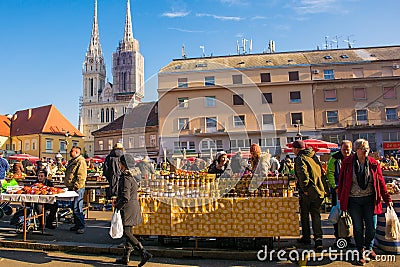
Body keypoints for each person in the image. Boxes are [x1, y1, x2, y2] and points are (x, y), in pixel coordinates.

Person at [338, 139, 393, 265]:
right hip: (354, 200)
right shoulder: (347, 163)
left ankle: (369, 248)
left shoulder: (373, 163)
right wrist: (341, 200)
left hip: (370, 200)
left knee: (372, 227)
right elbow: (341, 182)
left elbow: (381, 182)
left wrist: (387, 198)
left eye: (367, 148)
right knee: (357, 228)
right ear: (357, 150)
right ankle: (361, 251)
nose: (366, 150)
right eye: (363, 148)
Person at [115, 154, 152, 266]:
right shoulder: (134, 175)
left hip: (127, 208)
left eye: (120, 163)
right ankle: (125, 257)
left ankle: (143, 252)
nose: (119, 165)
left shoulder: (126, 177)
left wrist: (117, 205)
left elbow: (125, 196)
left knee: (126, 233)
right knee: (129, 232)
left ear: (123, 164)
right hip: (133, 205)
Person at [293, 140, 325, 252]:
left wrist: (305, 189)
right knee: (316, 215)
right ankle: (318, 240)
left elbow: (303, 174)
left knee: (305, 215)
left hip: (309, 191)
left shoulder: (300, 158)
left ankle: (306, 237)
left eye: (293, 149)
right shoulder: (313, 156)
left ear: (296, 149)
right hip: (319, 190)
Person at [326, 140, 353, 246]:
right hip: (338, 192)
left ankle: (348, 237)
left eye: (348, 149)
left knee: (350, 216)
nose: (346, 151)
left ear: (351, 149)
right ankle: (339, 238)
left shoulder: (354, 158)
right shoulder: (334, 159)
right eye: (344, 149)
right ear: (340, 148)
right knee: (337, 214)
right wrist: (335, 187)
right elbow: (330, 173)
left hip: (352, 192)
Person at [64, 146, 87, 234]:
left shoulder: (80, 161)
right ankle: (77, 225)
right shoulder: (73, 161)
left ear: (76, 152)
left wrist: (76, 187)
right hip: (72, 188)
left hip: (77, 188)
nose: (70, 152)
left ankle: (81, 226)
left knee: (77, 207)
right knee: (74, 207)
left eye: (71, 151)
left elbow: (81, 176)